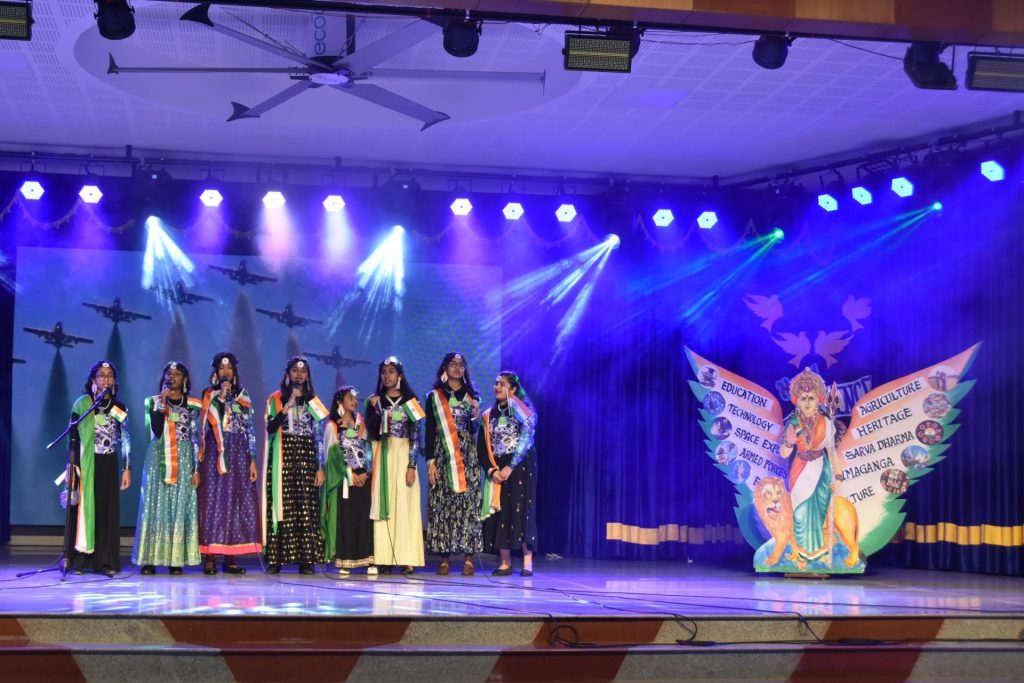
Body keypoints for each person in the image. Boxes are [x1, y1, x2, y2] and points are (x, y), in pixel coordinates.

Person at [132, 361, 202, 575]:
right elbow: (155, 429)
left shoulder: (193, 405)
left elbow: (195, 437)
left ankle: (175, 560)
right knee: (155, 504)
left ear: (185, 379)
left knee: (179, 504)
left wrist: (196, 469)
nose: (172, 377)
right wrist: (162, 403)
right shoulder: (153, 402)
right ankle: (150, 559)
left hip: (184, 458)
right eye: (168, 374)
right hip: (159, 456)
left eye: (177, 374)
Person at [64, 361, 131, 576]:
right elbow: (72, 438)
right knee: (84, 509)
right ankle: (79, 561)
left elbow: (125, 439)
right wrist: (70, 466)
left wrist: (126, 468)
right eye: (101, 375)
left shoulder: (118, 407)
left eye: (110, 375)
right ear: (93, 380)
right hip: (85, 463)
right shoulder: (83, 404)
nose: (106, 379)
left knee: (105, 510)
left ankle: (105, 561)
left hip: (108, 463)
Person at [196, 352, 261, 575]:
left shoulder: (243, 395)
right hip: (216, 451)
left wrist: (252, 459)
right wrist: (222, 396)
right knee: (214, 501)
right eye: (222, 368)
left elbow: (249, 428)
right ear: (216, 371)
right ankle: (210, 556)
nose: (226, 372)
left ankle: (230, 557)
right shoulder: (209, 394)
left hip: (239, 453)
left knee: (235, 502)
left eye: (230, 368)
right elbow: (205, 424)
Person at [263, 356, 329, 574]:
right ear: (287, 374)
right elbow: (270, 428)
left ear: (307, 376)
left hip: (307, 457)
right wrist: (286, 407)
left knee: (305, 504)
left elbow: (319, 437)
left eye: (303, 371)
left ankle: (306, 560)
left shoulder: (314, 401)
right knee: (282, 504)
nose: (299, 375)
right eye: (294, 371)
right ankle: (276, 559)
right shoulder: (276, 399)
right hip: (283, 456)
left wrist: (320, 467)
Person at [365, 357, 426, 575]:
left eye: (391, 371)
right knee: (386, 503)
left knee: (405, 504)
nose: (387, 376)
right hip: (383, 453)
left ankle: (407, 558)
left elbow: (416, 435)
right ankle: (384, 557)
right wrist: (376, 410)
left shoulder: (411, 401)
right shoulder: (375, 401)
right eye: (383, 372)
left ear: (399, 375)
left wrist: (412, 465)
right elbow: (372, 434)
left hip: (404, 454)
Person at [424, 352, 482, 576]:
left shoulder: (472, 395)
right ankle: (444, 558)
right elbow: (430, 431)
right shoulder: (434, 397)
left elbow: (474, 429)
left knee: (468, 504)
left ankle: (468, 558)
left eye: (461, 364)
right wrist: (430, 461)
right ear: (445, 368)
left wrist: (475, 413)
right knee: (442, 504)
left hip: (466, 454)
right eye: (453, 364)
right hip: (442, 453)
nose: (457, 368)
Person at [780, 368, 844, 568]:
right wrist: (789, 443)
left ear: (818, 400)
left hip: (821, 470)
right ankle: (800, 555)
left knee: (819, 514)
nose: (807, 402)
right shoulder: (792, 422)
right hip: (799, 470)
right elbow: (784, 453)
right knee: (799, 514)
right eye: (803, 398)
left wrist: (839, 477)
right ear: (797, 401)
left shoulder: (826, 422)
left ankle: (819, 554)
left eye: (811, 398)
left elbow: (832, 453)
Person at [479, 371, 538, 577]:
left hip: (520, 466)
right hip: (498, 467)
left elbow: (527, 437)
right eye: (496, 383)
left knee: (521, 509)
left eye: (503, 384)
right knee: (501, 511)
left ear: (513, 389)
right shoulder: (489, 415)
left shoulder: (523, 411)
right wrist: (492, 470)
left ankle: (527, 561)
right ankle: (505, 561)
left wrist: (510, 466)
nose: (497, 387)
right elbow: (482, 448)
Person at [321, 386, 376, 575]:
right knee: (346, 518)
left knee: (364, 518)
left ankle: (369, 560)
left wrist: (366, 473)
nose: (354, 401)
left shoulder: (361, 424)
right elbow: (331, 457)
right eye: (349, 398)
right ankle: (345, 560)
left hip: (363, 478)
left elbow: (368, 449)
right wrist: (349, 473)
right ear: (339, 402)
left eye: (355, 398)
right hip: (344, 478)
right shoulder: (333, 426)